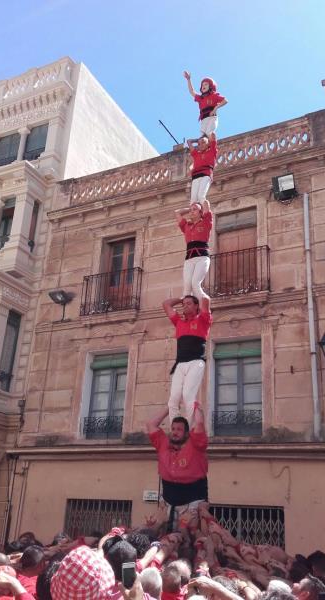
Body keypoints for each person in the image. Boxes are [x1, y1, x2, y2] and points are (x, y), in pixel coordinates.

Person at [147, 405, 208, 532]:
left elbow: (200, 422)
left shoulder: (196, 445)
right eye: (173, 429)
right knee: (160, 536)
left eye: (179, 429)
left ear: (187, 433)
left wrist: (193, 403)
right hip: (168, 503)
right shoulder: (163, 444)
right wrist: (170, 405)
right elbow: (151, 424)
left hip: (192, 503)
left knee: (189, 539)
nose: (174, 432)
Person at [162, 294, 212, 426]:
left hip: (197, 362)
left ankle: (187, 429)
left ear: (196, 306)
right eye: (184, 304)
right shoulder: (179, 321)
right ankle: (176, 429)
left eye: (189, 303)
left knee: (187, 396)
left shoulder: (203, 320)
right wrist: (182, 298)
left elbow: (206, 300)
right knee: (173, 399)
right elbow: (166, 304)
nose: (185, 305)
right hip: (180, 364)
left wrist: (196, 290)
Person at [176, 200, 212, 300]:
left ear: (201, 213)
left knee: (195, 283)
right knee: (187, 286)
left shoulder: (206, 222)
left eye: (194, 210)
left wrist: (200, 200)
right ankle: (188, 311)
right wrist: (191, 207)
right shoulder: (186, 226)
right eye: (190, 210)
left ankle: (205, 306)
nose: (191, 212)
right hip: (189, 259)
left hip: (202, 257)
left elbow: (206, 204)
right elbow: (177, 213)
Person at [183, 72, 228, 136]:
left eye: (206, 84)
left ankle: (213, 144)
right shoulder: (200, 98)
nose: (203, 86)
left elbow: (225, 101)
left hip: (211, 118)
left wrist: (215, 108)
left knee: (209, 133)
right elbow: (192, 91)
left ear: (211, 86)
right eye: (202, 85)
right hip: (203, 119)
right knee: (202, 137)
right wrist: (188, 80)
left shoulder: (214, 95)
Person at [186, 135, 217, 206]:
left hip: (206, 175)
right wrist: (198, 139)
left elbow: (213, 137)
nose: (201, 145)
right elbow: (189, 141)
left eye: (203, 142)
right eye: (199, 144)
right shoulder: (196, 154)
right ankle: (196, 214)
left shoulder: (212, 151)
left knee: (201, 196)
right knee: (193, 200)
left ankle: (206, 212)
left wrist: (205, 137)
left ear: (208, 143)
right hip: (195, 177)